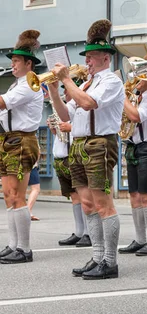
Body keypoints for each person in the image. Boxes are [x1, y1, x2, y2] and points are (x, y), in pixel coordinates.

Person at [48, 19, 124, 279]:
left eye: (91, 57)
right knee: (88, 205)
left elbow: (88, 104)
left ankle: (110, 262)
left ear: (105, 58)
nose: (87, 62)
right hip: (79, 144)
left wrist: (66, 80)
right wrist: (54, 91)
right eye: (87, 57)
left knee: (103, 204)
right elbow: (65, 116)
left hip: (100, 144)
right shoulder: (85, 84)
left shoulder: (111, 82)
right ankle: (97, 256)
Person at [0, 30, 44, 264]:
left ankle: (24, 249)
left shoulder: (31, 83)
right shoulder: (17, 84)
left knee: (17, 195)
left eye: (16, 61)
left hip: (22, 140)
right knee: (8, 195)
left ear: (29, 63)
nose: (13, 64)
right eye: (12, 61)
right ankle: (13, 244)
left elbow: (2, 104)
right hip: (10, 139)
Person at [119, 52, 147, 256]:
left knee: (145, 196)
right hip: (134, 146)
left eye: (140, 74)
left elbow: (136, 116)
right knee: (134, 196)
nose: (135, 78)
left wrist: (120, 96)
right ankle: (140, 239)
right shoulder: (135, 97)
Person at [54, 85, 91, 247]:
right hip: (62, 156)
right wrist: (56, 130)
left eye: (67, 90)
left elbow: (84, 129)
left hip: (74, 155)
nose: (65, 93)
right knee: (75, 197)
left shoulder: (80, 107)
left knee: (84, 196)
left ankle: (89, 233)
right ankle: (79, 231)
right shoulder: (66, 108)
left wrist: (70, 128)